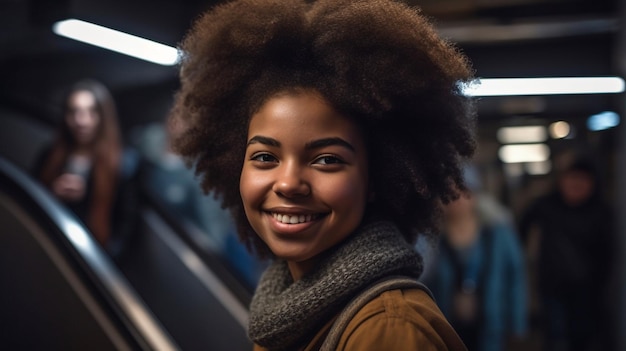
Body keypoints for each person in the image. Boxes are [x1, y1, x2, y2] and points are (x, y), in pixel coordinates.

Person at [168, 0, 476, 349]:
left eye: (326, 160)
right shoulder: (288, 312)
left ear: (376, 178)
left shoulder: (389, 330)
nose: (287, 183)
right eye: (266, 156)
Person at [518, 155, 615, 351]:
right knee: (556, 336)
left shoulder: (601, 212)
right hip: (553, 285)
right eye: (572, 179)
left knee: (582, 336)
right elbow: (522, 225)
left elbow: (608, 253)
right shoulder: (547, 205)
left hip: (588, 289)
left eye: (582, 180)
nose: (576, 185)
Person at [33, 79, 140, 254]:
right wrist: (52, 194)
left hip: (92, 257)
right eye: (74, 112)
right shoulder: (50, 156)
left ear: (103, 117)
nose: (81, 121)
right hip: (47, 248)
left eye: (91, 112)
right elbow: (31, 202)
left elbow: (125, 230)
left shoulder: (123, 165)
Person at [420, 187, 528, 351]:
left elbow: (516, 278)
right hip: (448, 326)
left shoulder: (498, 233)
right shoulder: (430, 239)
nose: (456, 199)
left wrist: (517, 325)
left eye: (462, 191)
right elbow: (422, 280)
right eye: (448, 192)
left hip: (491, 326)